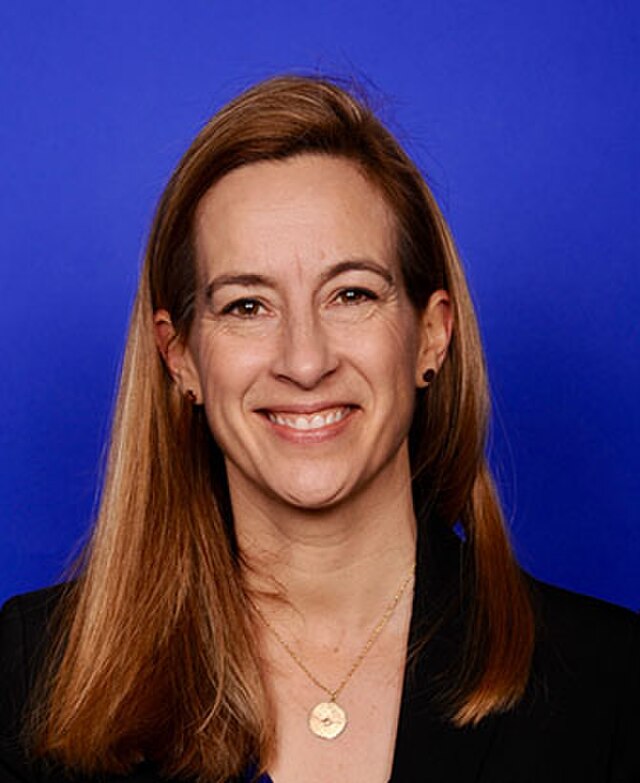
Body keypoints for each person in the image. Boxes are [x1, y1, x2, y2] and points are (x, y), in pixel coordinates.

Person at [0, 75, 637, 783]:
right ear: (180, 358)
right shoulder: (31, 673)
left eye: (351, 294)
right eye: (246, 306)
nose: (305, 362)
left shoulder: (613, 684)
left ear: (431, 336)